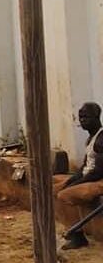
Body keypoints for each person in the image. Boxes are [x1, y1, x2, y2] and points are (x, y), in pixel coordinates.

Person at [53, 102, 103, 249]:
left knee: (64, 196)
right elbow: (85, 167)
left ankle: (77, 235)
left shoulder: (101, 139)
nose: (82, 121)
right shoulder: (90, 139)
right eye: (80, 117)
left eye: (86, 117)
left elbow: (98, 171)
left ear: (96, 117)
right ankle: (72, 229)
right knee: (54, 189)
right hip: (92, 178)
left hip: (99, 180)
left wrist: (77, 184)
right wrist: (70, 181)